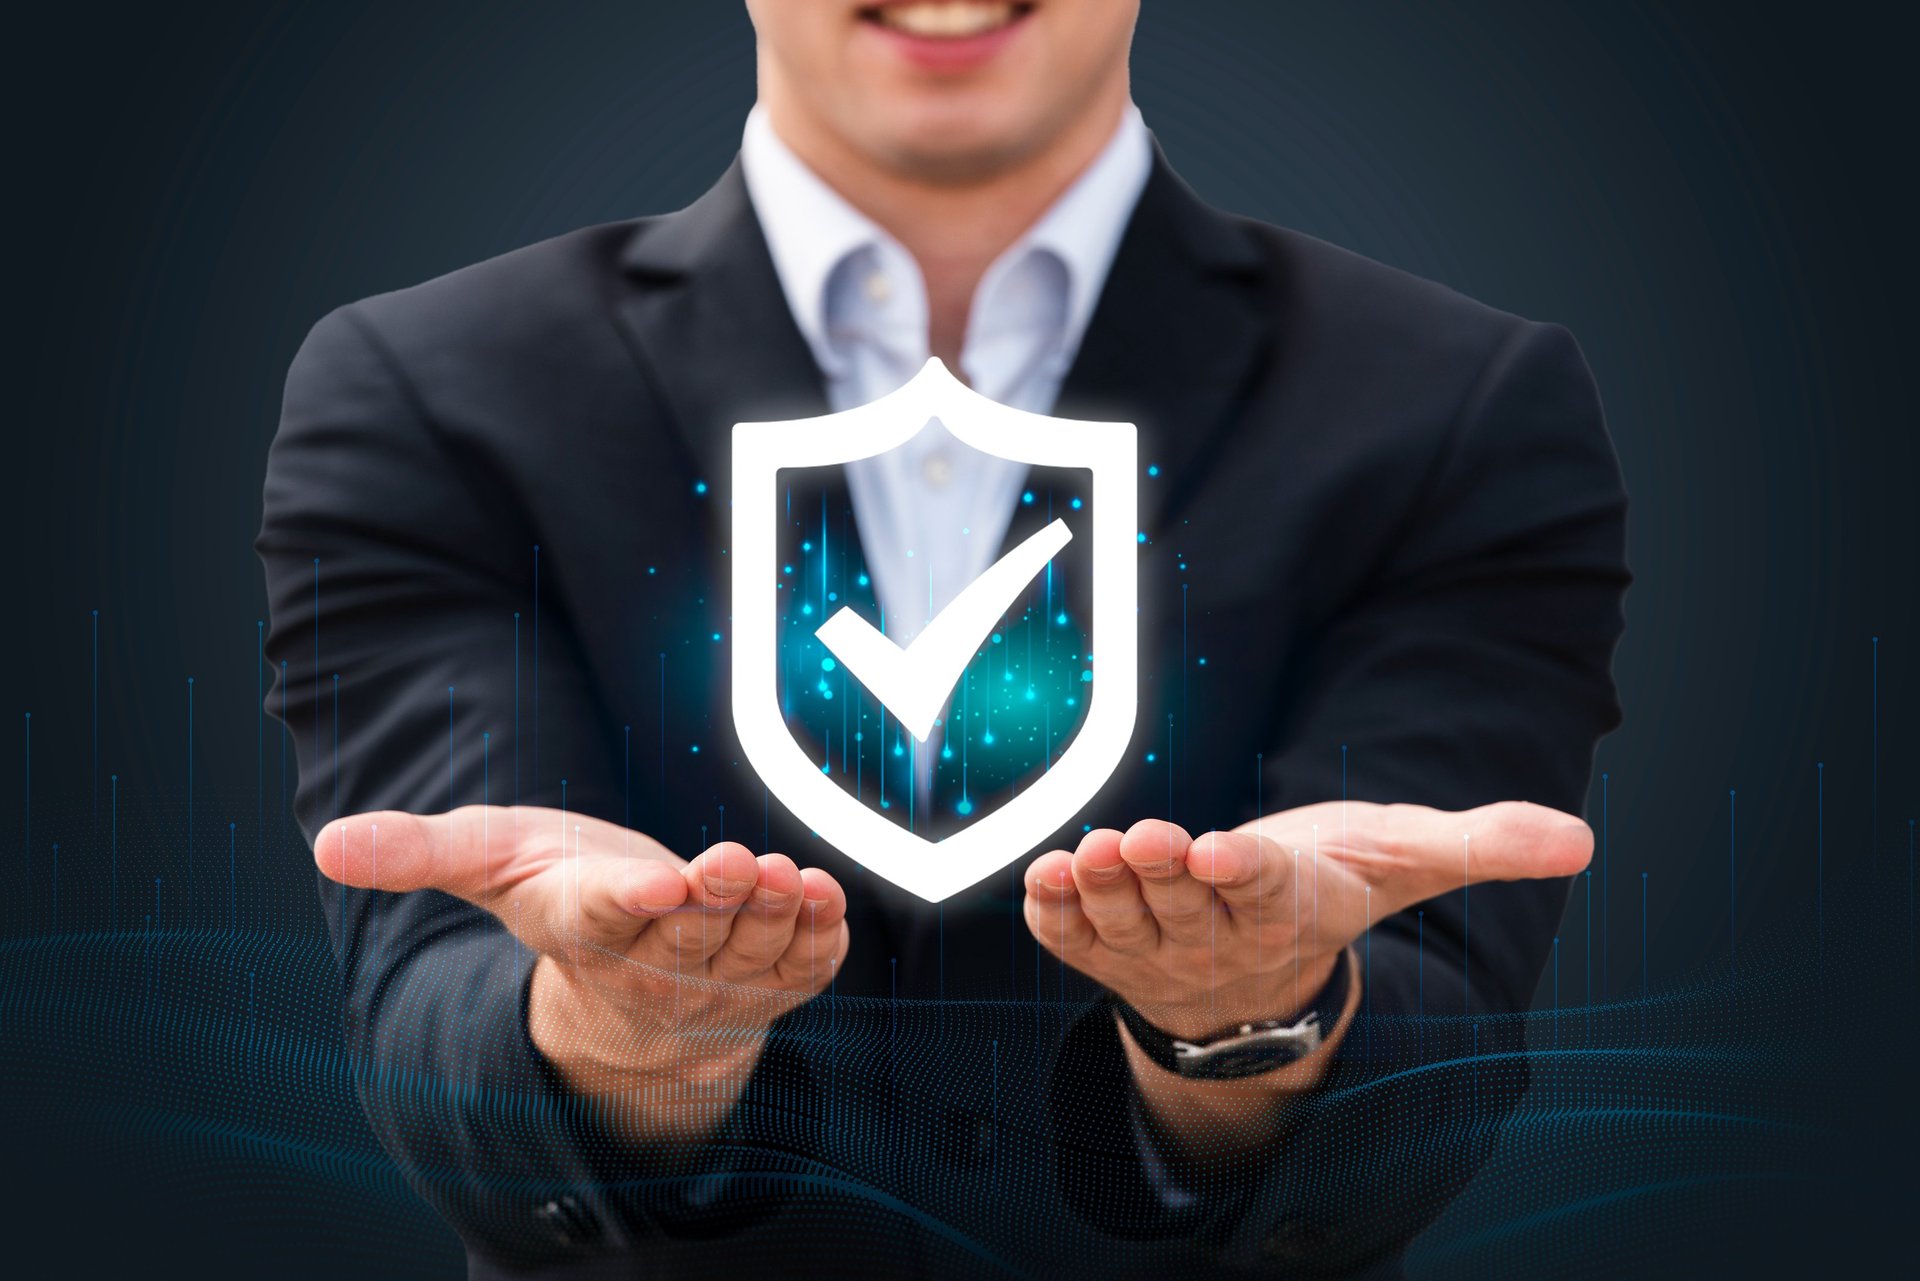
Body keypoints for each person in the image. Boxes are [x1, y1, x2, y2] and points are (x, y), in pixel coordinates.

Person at [258, 2, 1627, 1277]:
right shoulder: (428, 392)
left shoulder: (1459, 407)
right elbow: (434, 1022)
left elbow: (1418, 1093)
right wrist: (627, 1034)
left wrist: (1249, 1019)